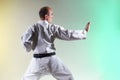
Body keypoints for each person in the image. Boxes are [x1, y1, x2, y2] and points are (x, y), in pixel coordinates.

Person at [21, 6, 90, 80]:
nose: (52, 16)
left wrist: (28, 48)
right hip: (52, 60)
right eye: (51, 14)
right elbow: (67, 33)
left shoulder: (33, 27)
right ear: (46, 16)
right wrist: (84, 32)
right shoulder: (52, 28)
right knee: (68, 77)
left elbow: (25, 39)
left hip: (38, 62)